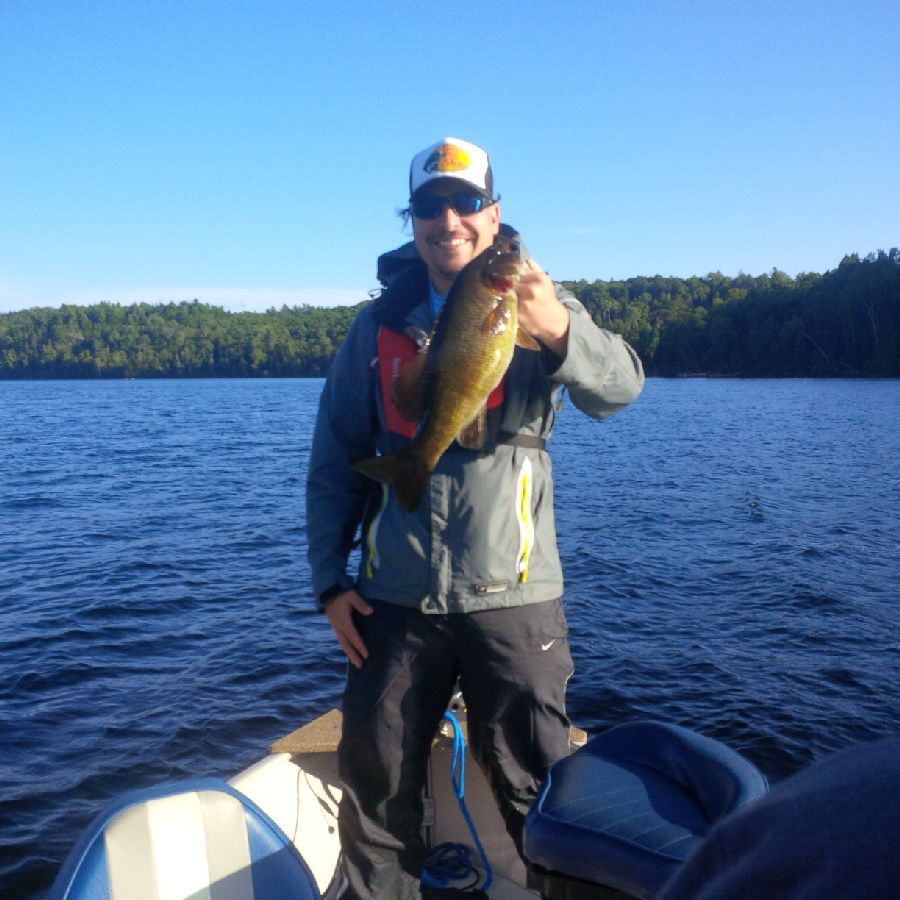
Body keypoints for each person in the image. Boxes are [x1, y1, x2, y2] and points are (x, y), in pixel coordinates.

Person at [306, 136, 645, 899]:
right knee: (378, 791)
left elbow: (619, 389)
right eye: (430, 206)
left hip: (515, 599)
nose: (448, 220)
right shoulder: (373, 329)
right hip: (393, 599)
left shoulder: (543, 305)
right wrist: (330, 582)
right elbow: (334, 462)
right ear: (413, 220)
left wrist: (556, 325)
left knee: (544, 793)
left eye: (465, 202)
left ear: (494, 215)